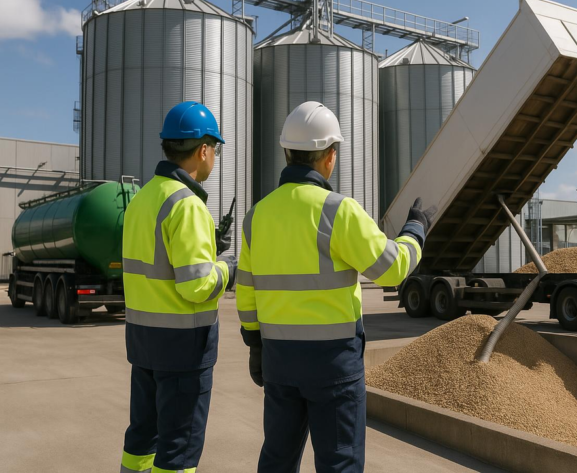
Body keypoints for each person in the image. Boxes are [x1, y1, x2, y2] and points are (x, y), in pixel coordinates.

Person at [236, 101, 436, 473]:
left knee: (277, 460)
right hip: (333, 364)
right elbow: (390, 269)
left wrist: (254, 345)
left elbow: (245, 292)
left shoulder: (256, 215)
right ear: (329, 156)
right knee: (339, 463)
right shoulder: (338, 210)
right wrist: (415, 231)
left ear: (286, 152)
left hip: (278, 357)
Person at [120, 101, 238, 473]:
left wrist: (207, 251)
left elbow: (158, 261)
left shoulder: (141, 199)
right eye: (214, 150)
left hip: (144, 342)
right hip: (183, 349)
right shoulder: (187, 205)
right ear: (203, 150)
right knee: (179, 448)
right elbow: (197, 285)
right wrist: (226, 268)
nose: (214, 157)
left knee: (143, 436)